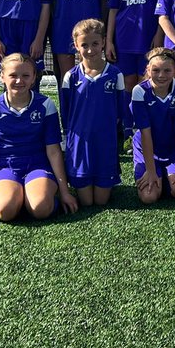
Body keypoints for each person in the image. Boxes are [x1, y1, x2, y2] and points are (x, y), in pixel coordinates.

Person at [0, 53, 78, 222]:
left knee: (41, 209)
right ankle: (12, 196)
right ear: (2, 76)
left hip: (38, 165)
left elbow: (54, 152)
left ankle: (39, 195)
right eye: (13, 75)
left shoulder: (45, 105)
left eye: (25, 75)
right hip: (4, 167)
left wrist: (64, 192)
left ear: (34, 77)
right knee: (5, 210)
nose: (19, 81)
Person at [60, 19, 128, 208]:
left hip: (105, 140)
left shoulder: (115, 74)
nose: (90, 50)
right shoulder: (71, 76)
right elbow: (65, 110)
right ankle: (81, 174)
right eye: (84, 45)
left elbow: (121, 109)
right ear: (76, 46)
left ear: (104, 42)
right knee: (87, 202)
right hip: (80, 142)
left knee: (100, 201)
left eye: (95, 44)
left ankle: (105, 178)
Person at [130, 48, 175, 204]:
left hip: (172, 150)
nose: (161, 75)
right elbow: (145, 133)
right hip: (146, 150)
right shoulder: (139, 91)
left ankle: (169, 175)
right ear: (148, 70)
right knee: (149, 197)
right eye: (156, 70)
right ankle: (159, 174)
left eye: (167, 70)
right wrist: (151, 171)